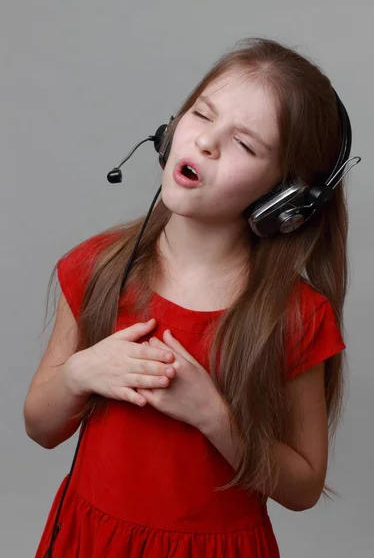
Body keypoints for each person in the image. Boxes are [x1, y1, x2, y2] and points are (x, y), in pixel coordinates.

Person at [25, 37, 355, 558]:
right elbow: (40, 427)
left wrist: (213, 416)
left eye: (246, 144)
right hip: (94, 541)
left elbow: (303, 487)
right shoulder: (97, 268)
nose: (205, 143)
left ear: (285, 197)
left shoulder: (295, 317)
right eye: (202, 115)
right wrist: (80, 374)